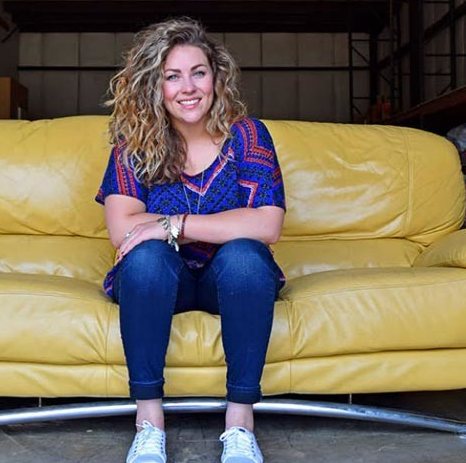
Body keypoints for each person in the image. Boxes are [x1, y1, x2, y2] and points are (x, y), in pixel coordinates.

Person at [95, 17, 286, 463]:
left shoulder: (248, 135)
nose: (188, 87)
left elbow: (267, 224)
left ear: (216, 77)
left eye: (198, 72)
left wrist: (173, 223)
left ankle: (240, 426)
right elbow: (123, 229)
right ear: (154, 85)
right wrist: (182, 230)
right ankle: (149, 427)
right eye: (172, 76)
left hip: (233, 283)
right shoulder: (133, 144)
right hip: (161, 283)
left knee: (244, 255)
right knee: (145, 259)